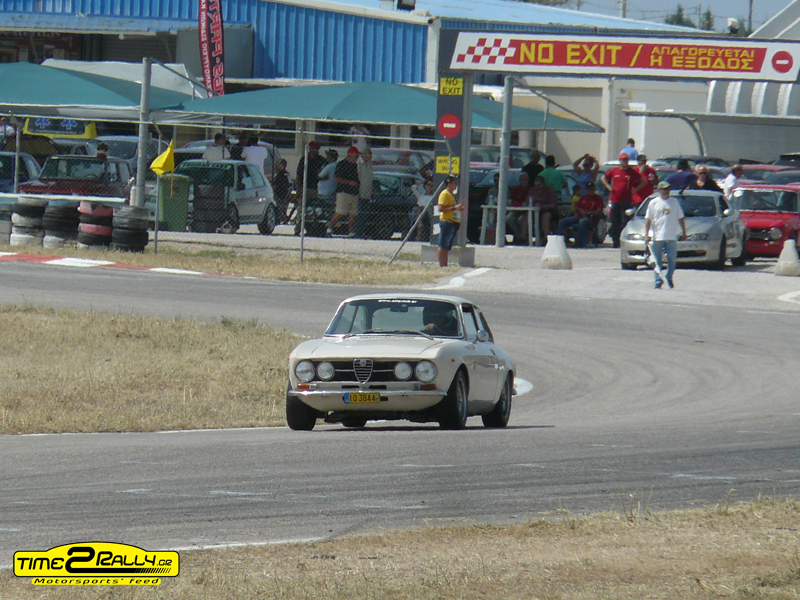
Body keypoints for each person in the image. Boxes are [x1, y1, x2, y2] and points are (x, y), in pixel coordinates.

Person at [645, 181, 687, 289]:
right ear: (659, 190)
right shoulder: (653, 202)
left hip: (671, 236)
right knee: (657, 260)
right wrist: (646, 234)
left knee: (672, 260)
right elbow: (648, 219)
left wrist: (684, 232)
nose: (666, 191)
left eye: (668, 189)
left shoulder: (674, 202)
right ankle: (658, 281)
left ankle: (669, 276)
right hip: (657, 236)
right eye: (664, 189)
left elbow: (681, 217)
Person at [600, 153, 645, 248]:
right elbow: (603, 178)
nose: (625, 162)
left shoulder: (631, 172)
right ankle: (616, 241)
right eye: (623, 160)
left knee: (626, 221)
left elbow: (643, 181)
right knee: (615, 222)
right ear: (620, 161)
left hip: (627, 201)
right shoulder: (614, 171)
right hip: (615, 200)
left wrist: (635, 190)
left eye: (626, 160)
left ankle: (624, 241)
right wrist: (608, 186)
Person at [555, 181, 604, 248]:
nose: (590, 191)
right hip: (579, 217)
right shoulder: (583, 198)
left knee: (582, 222)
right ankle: (558, 242)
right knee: (562, 221)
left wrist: (587, 213)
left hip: (590, 219)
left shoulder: (598, 199)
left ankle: (578, 242)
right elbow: (576, 207)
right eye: (588, 189)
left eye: (592, 189)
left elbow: (599, 212)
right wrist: (576, 213)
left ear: (594, 189)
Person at [328, 146, 360, 237]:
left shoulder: (355, 166)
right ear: (351, 155)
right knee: (340, 211)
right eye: (356, 156)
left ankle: (351, 232)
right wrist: (349, 182)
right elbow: (337, 178)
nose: (357, 158)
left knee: (352, 213)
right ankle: (330, 227)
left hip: (354, 193)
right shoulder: (341, 164)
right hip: (343, 192)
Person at [437, 175, 464, 267]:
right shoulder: (445, 194)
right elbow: (440, 208)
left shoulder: (452, 195)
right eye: (454, 183)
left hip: (453, 222)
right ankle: (442, 265)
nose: (456, 185)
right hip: (446, 221)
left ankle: (445, 265)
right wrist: (454, 208)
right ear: (449, 184)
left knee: (447, 246)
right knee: (443, 245)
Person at [295, 140, 327, 205]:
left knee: (316, 206)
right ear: (310, 149)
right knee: (302, 205)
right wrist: (298, 188)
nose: (316, 151)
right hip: (305, 187)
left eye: (317, 149)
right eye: (315, 149)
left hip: (318, 188)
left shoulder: (322, 160)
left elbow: (326, 175)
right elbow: (299, 174)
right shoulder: (304, 159)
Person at [529, 175, 558, 240]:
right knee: (525, 216)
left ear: (543, 184)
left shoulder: (549, 190)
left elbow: (553, 204)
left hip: (548, 210)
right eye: (535, 185)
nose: (537, 187)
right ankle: (524, 238)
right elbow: (527, 200)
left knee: (545, 216)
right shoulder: (532, 190)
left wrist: (542, 206)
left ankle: (546, 238)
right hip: (534, 210)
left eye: (538, 185)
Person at [507, 172, 532, 243]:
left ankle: (524, 238)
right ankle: (519, 237)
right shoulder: (516, 189)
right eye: (522, 180)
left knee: (520, 220)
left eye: (525, 179)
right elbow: (512, 201)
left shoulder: (531, 189)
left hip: (526, 212)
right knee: (508, 218)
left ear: (528, 180)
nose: (524, 181)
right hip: (516, 210)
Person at [354, 147, 373, 238]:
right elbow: (356, 178)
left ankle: (362, 233)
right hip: (360, 193)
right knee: (359, 214)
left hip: (367, 194)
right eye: (368, 154)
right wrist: (357, 192)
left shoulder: (369, 164)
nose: (369, 156)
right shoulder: (358, 164)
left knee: (365, 215)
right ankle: (357, 233)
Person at [271, 158, 293, 224]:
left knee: (279, 207)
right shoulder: (282, 174)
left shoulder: (284, 174)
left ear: (283, 166)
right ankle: (281, 218)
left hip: (281, 194)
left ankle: (280, 219)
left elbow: (285, 184)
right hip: (281, 193)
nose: (277, 166)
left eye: (279, 164)